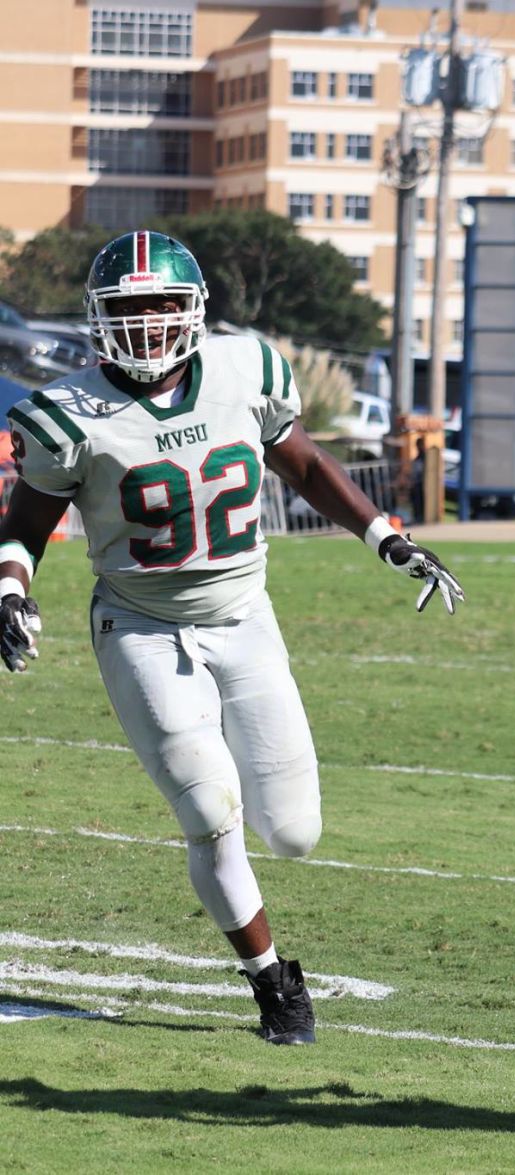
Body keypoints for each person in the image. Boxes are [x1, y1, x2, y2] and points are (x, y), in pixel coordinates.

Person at [0, 230, 464, 1046]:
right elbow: (25, 526)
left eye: (162, 305)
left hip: (245, 618)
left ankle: (244, 874)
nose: (146, 324)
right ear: (98, 318)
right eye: (129, 308)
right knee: (210, 810)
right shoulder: (63, 414)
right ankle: (274, 981)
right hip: (142, 625)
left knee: (293, 831)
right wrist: (10, 588)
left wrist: (384, 534)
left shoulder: (248, 369)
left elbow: (306, 463)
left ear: (195, 312)